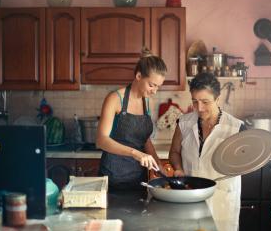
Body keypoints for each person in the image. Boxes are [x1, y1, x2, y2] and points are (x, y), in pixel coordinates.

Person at [169, 72, 246, 231]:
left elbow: (245, 163)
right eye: (195, 102)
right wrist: (178, 168)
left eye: (205, 101)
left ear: (218, 99)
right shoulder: (184, 123)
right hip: (190, 195)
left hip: (222, 198)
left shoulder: (236, 128)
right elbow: (174, 152)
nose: (199, 108)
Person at [96, 47, 167, 191]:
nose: (154, 91)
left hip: (139, 178)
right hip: (113, 177)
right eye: (152, 85)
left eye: (158, 87)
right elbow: (101, 140)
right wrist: (135, 153)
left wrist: (158, 165)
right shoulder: (115, 99)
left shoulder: (147, 102)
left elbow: (144, 139)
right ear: (139, 76)